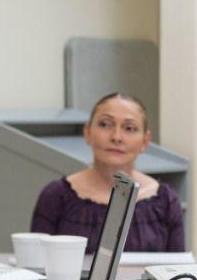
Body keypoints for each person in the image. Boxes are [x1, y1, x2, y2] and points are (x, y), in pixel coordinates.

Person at [30, 93, 184, 253]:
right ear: (88, 132)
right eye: (105, 124)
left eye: (129, 128)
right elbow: (35, 267)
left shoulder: (166, 201)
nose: (116, 137)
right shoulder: (55, 196)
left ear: (145, 141)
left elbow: (177, 272)